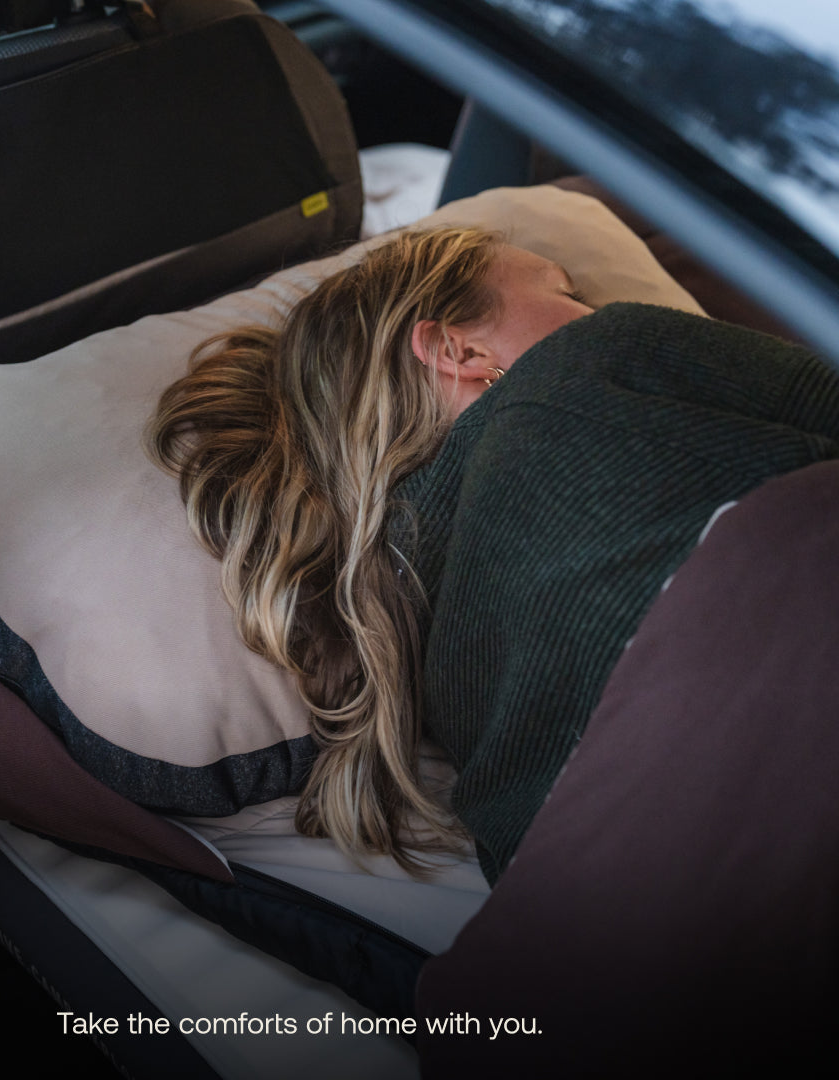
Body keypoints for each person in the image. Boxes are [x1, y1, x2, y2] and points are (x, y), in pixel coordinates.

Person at [149, 226, 839, 879]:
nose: (597, 311)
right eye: (568, 292)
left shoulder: (437, 670)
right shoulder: (588, 360)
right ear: (458, 352)